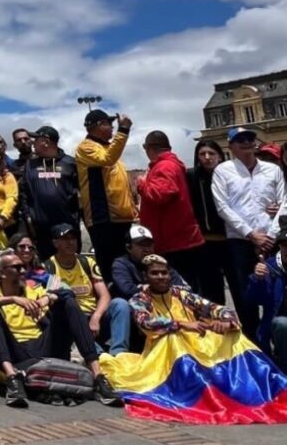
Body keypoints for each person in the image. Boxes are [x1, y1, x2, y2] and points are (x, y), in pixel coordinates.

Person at [101, 255, 259, 419]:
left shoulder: (182, 295)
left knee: (232, 334)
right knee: (173, 337)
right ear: (145, 276)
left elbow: (214, 308)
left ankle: (246, 386)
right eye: (155, 273)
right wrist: (181, 324)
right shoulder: (139, 299)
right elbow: (145, 322)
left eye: (164, 273)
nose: (161, 277)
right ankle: (201, 396)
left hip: (195, 344)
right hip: (163, 352)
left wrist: (226, 321)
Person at [0, 249, 123, 408]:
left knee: (68, 302)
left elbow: (66, 291)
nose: (23, 271)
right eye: (17, 267)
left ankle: (98, 378)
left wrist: (47, 298)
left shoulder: (34, 289)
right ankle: (12, 379)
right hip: (15, 351)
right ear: (2, 272)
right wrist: (14, 299)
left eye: (24, 266)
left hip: (42, 345)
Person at [213, 127, 285, 340]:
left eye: (250, 138)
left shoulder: (273, 170)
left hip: (272, 240)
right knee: (245, 296)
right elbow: (222, 207)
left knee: (277, 292)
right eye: (240, 140)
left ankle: (278, 341)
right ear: (231, 146)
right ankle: (253, 343)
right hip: (240, 241)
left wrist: (271, 234)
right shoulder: (223, 171)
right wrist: (250, 233)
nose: (246, 143)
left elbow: (284, 202)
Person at [44, 224, 130, 356]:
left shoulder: (87, 262)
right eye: (65, 238)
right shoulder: (49, 267)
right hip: (72, 320)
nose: (70, 242)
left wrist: (96, 317)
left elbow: (105, 295)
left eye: (73, 238)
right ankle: (97, 355)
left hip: (95, 316)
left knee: (120, 304)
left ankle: (119, 353)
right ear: (55, 243)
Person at [137, 130, 206, 290]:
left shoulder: (164, 166)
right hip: (179, 239)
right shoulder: (171, 164)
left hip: (175, 242)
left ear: (150, 148)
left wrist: (141, 183)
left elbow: (160, 195)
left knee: (181, 290)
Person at [76, 109, 135, 284]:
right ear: (99, 125)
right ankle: (112, 297)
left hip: (123, 218)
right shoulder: (86, 147)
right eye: (109, 124)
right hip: (103, 218)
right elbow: (107, 159)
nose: (113, 128)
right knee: (111, 266)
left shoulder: (111, 148)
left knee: (127, 266)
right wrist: (123, 131)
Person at [20, 126, 79, 259]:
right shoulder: (30, 165)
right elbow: (24, 193)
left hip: (67, 226)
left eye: (36, 139)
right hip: (41, 228)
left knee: (69, 261)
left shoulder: (70, 163)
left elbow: (81, 191)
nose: (32, 142)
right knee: (46, 265)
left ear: (46, 141)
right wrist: (28, 215)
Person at [186, 140, 230, 303]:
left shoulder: (230, 175)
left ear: (220, 156)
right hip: (205, 242)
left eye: (211, 153)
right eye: (202, 154)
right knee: (211, 290)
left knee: (239, 287)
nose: (207, 157)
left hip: (231, 239)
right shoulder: (192, 177)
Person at [246, 224, 287, 371]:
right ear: (280, 246)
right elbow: (253, 300)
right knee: (283, 324)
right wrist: (258, 279)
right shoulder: (269, 267)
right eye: (285, 245)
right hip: (280, 328)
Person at [111, 224, 187, 300]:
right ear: (129, 248)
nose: (147, 249)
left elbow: (181, 287)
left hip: (163, 303)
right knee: (120, 302)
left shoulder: (160, 262)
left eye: (149, 245)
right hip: (133, 303)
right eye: (141, 245)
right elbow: (127, 290)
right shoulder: (121, 264)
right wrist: (153, 289)